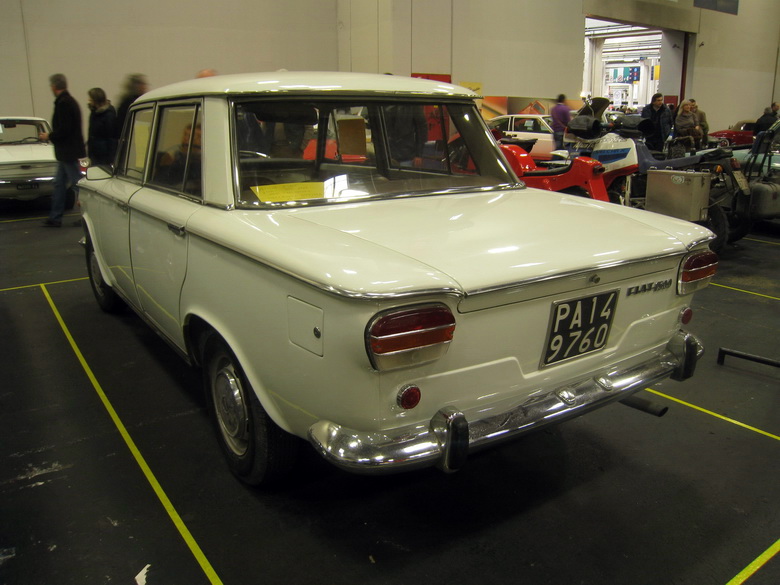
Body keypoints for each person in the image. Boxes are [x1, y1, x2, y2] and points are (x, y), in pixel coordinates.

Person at [38, 73, 86, 228]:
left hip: (68, 152)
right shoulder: (68, 102)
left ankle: (86, 214)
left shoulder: (64, 103)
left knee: (77, 184)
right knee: (59, 184)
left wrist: (49, 135)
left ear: (54, 86)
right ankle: (55, 217)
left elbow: (65, 129)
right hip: (67, 152)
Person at [86, 87, 117, 165]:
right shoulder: (94, 112)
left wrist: (111, 158)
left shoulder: (109, 115)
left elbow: (112, 137)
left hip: (103, 155)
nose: (89, 100)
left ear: (96, 99)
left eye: (90, 98)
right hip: (95, 154)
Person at [115, 74, 148, 138]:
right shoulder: (131, 103)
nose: (144, 87)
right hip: (131, 136)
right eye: (142, 85)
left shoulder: (138, 100)